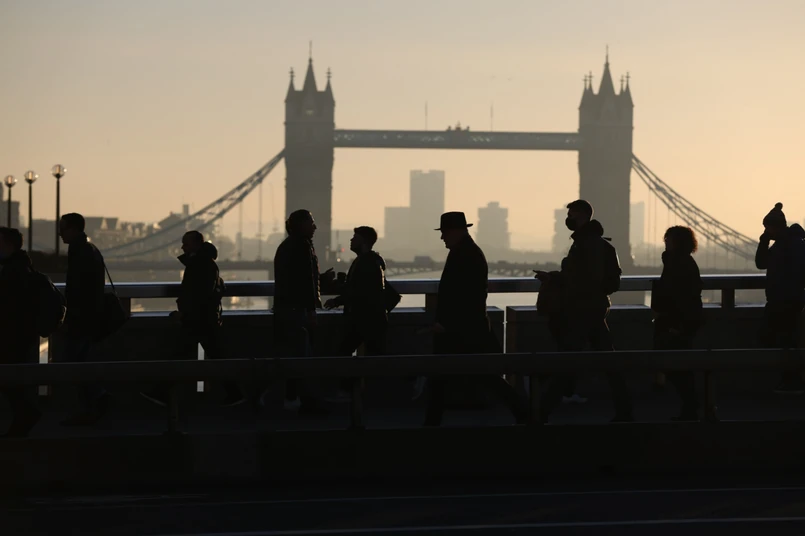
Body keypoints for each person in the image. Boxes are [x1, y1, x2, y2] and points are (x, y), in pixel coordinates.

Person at [421, 212, 529, 426]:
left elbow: (466, 296)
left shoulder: (465, 254)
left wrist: (446, 324)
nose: (442, 237)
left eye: (444, 232)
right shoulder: (467, 252)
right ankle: (524, 414)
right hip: (467, 329)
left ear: (455, 231)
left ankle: (431, 424)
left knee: (445, 377)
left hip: (461, 330)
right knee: (481, 375)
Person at [535, 200, 633, 423]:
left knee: (567, 361)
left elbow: (582, 279)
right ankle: (625, 411)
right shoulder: (597, 244)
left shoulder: (586, 245)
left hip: (582, 311)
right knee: (609, 364)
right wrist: (554, 277)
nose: (568, 219)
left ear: (582, 216)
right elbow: (598, 280)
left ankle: (540, 413)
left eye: (571, 215)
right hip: (594, 309)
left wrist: (560, 282)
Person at [141, 231, 241, 407]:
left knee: (180, 356)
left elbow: (199, 295)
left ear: (196, 244)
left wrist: (184, 314)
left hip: (198, 321)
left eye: (185, 244)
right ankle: (235, 394)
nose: (182, 247)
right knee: (215, 357)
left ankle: (161, 392)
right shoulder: (204, 263)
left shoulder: (201, 265)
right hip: (204, 320)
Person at [272, 209, 331, 414]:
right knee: (303, 358)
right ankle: (305, 402)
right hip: (296, 310)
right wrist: (311, 309)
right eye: (311, 223)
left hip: (286, 309)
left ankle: (291, 398)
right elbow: (304, 280)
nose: (315, 227)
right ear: (302, 225)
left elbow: (296, 278)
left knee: (292, 355)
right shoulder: (302, 246)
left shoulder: (288, 245)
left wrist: (320, 280)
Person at [324, 226, 388, 401]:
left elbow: (358, 291)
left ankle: (347, 391)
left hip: (364, 318)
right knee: (377, 356)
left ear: (364, 241)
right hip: (371, 318)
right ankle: (351, 391)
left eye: (355, 237)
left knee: (345, 353)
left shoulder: (365, 263)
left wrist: (337, 299)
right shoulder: (371, 261)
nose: (351, 240)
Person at [59, 213, 110, 426]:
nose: (60, 233)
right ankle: (93, 405)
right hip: (89, 317)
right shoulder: (90, 249)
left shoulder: (80, 252)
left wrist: (69, 316)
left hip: (81, 319)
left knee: (76, 363)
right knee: (80, 362)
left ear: (73, 229)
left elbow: (78, 290)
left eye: (63, 228)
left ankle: (94, 403)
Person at [651, 226, 703, 421]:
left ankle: (691, 406)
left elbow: (679, 294)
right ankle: (691, 406)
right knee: (677, 364)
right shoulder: (680, 261)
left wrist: (677, 324)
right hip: (678, 320)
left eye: (669, 239)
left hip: (676, 321)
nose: (665, 242)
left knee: (674, 364)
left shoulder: (678, 263)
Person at [755, 203, 805, 394]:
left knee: (784, 341)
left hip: (788, 301)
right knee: (779, 340)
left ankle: (792, 380)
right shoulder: (781, 244)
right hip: (780, 300)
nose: (766, 231)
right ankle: (790, 379)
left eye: (767, 227)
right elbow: (762, 263)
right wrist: (764, 241)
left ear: (774, 226)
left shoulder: (794, 244)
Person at [0, 227, 42, 437]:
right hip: (20, 334)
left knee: (9, 379)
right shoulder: (23, 266)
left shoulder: (13, 270)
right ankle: (24, 416)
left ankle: (26, 415)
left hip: (12, 335)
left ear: (7, 245)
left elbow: (9, 305)